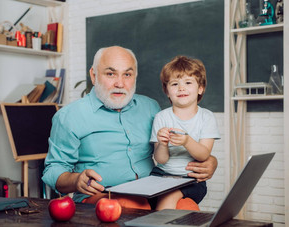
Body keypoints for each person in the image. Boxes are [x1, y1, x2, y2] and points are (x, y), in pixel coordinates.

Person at [42, 46, 218, 210]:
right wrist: (76, 180)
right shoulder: (70, 116)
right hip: (104, 196)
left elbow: (170, 151)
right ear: (94, 75)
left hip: (153, 191)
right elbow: (53, 170)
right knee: (131, 206)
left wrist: (210, 161)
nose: (120, 83)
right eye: (111, 74)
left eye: (127, 74)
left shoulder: (151, 108)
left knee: (188, 209)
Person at [150, 55, 220, 210]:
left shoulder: (206, 117)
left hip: (192, 180)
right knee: (161, 193)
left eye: (188, 82)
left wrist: (187, 141)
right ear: (167, 91)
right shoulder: (161, 117)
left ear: (200, 88)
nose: (181, 88)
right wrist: (162, 144)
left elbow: (203, 155)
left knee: (169, 195)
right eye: (174, 84)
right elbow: (161, 160)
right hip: (161, 175)